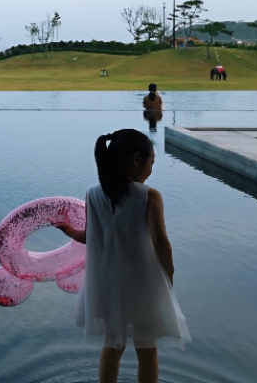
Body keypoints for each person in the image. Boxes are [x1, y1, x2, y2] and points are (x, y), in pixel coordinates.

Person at [57, 129, 190, 383]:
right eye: (151, 162)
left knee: (113, 345)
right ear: (137, 160)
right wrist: (169, 273)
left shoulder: (93, 194)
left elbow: (91, 236)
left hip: (106, 283)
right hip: (141, 283)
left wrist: (70, 231)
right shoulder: (149, 196)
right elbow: (160, 240)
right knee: (147, 348)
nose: (151, 169)